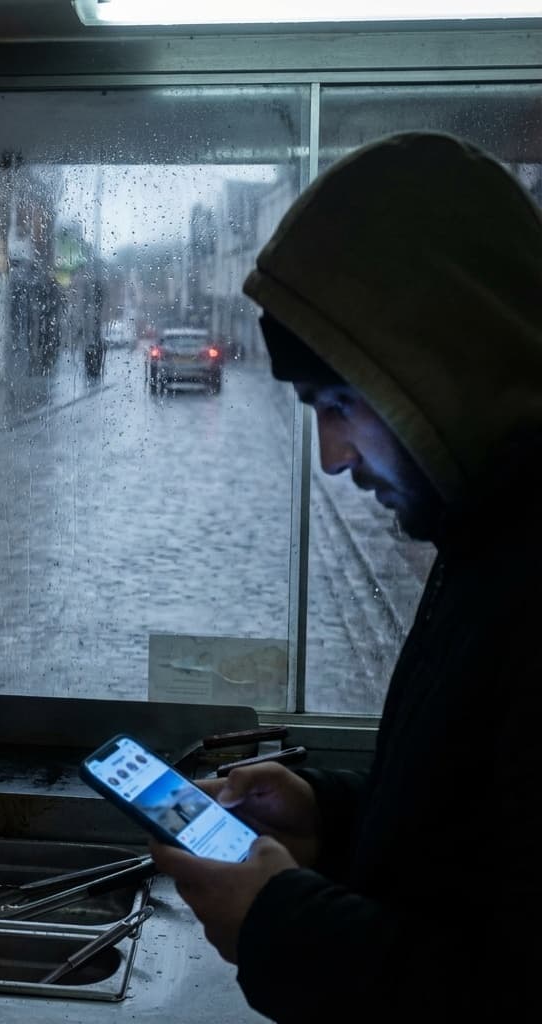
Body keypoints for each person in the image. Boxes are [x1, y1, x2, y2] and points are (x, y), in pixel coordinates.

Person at [149, 131, 542, 1021]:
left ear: (440, 375)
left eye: (340, 405)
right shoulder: (488, 535)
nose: (331, 458)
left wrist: (280, 924)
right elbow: (488, 837)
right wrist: (333, 817)